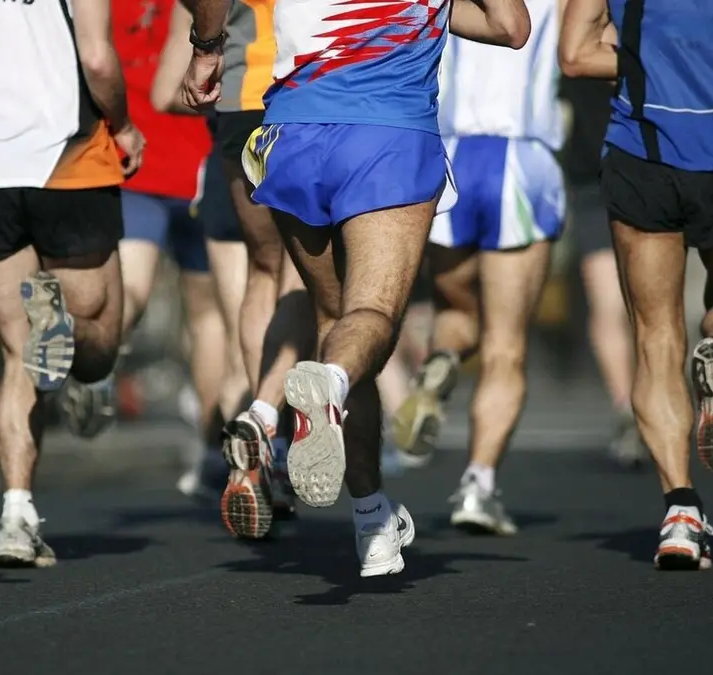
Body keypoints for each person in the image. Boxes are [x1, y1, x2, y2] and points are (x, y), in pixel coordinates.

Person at [182, 0, 530, 576]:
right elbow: (509, 26)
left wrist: (206, 48)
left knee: (333, 320)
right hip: (387, 130)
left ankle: (372, 519)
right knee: (370, 316)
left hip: (291, 127)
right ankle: (332, 386)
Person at [560, 0, 713, 569]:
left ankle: (680, 511)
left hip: (642, 156)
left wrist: (650, 59)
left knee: (655, 339)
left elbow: (574, 56)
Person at [0, 0, 141, 568]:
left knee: (20, 352)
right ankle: (62, 327)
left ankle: (15, 518)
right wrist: (124, 124)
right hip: (70, 160)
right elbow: (96, 58)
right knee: (98, 346)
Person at [393, 0, 566, 536]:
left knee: (455, 308)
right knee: (506, 345)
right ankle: (478, 482)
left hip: (447, 153)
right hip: (520, 154)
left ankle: (441, 357)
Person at [155, 0, 310, 541]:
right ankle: (271, 422)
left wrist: (204, 51)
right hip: (309, 87)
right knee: (307, 273)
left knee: (262, 274)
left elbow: (166, 90)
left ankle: (262, 433)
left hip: (242, 99)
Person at [60, 0, 226, 501]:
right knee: (208, 318)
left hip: (136, 161)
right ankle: (214, 454)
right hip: (202, 161)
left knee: (129, 290)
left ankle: (92, 353)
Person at [560, 72, 645, 467]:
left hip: (620, 174)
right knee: (627, 304)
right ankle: (633, 407)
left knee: (625, 305)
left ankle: (632, 406)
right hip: (618, 175)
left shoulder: (572, 18)